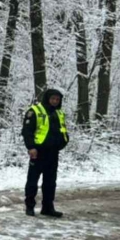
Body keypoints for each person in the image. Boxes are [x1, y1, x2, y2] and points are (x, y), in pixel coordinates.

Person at [21, 89, 69, 217]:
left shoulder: (59, 113)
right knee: (32, 181)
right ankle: (29, 206)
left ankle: (48, 207)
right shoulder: (35, 111)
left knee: (50, 182)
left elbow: (62, 129)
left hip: (53, 152)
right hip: (38, 151)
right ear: (47, 98)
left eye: (57, 99)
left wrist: (64, 142)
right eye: (53, 99)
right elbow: (27, 131)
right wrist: (31, 147)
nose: (55, 101)